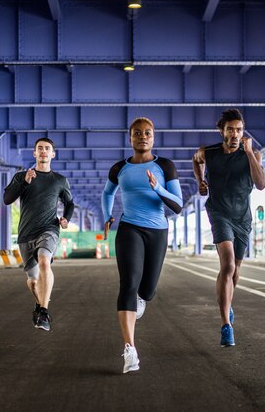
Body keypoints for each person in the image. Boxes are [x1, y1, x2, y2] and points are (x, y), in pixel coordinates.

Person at [102, 117, 183, 373]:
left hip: (157, 231)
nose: (142, 136)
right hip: (129, 228)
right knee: (128, 284)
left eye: (147, 133)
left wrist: (158, 187)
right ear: (130, 138)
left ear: (153, 137)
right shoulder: (119, 168)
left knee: (147, 290)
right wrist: (107, 216)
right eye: (137, 133)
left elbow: (178, 205)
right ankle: (130, 350)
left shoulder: (165, 166)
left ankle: (142, 298)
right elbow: (107, 193)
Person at [192, 109, 265, 347]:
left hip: (242, 218)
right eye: (230, 129)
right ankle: (226, 325)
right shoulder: (209, 152)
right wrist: (200, 181)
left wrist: (248, 153)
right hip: (219, 212)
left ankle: (228, 303)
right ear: (222, 131)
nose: (235, 134)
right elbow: (196, 159)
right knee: (228, 265)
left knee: (235, 273)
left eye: (239, 130)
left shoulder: (253, 154)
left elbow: (261, 184)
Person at [3, 138, 74, 332]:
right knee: (33, 280)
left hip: (49, 228)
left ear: (53, 154)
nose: (43, 151)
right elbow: (7, 199)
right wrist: (24, 183)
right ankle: (39, 303)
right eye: (40, 149)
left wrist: (66, 219)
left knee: (44, 261)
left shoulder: (59, 180)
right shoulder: (21, 176)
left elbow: (69, 203)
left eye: (47, 149)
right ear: (34, 153)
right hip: (26, 234)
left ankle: (44, 311)